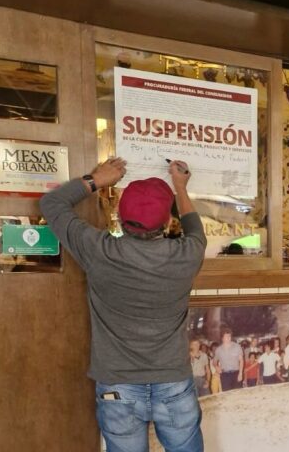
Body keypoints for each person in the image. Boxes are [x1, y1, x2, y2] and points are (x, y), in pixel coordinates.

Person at [40, 157, 206, 452]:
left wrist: (96, 180)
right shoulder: (187, 254)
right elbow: (194, 227)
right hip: (173, 384)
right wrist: (180, 186)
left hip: (117, 387)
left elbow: (52, 204)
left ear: (119, 212)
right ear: (168, 222)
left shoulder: (100, 251)